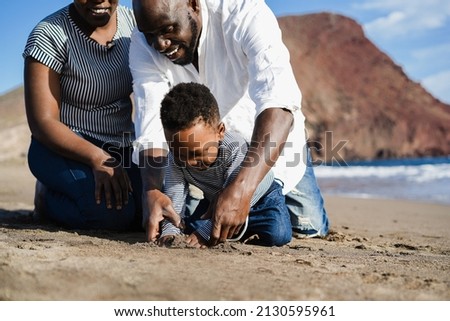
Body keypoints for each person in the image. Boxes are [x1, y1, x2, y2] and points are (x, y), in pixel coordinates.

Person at [130, 0, 329, 244]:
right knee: (185, 220)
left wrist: (240, 191)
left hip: (271, 151)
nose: (159, 43)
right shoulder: (142, 41)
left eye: (168, 29)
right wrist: (151, 189)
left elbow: (278, 102)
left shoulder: (244, 12)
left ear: (192, 4)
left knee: (308, 227)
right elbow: (150, 123)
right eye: (150, 34)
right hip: (201, 166)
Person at [23, 0, 142, 230]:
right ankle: (47, 198)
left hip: (122, 146)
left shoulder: (135, 24)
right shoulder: (49, 33)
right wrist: (97, 158)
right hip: (62, 146)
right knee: (111, 215)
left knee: (145, 210)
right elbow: (42, 122)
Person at [158, 82, 292, 248]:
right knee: (189, 227)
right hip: (213, 203)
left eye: (198, 153)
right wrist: (170, 230)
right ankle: (232, 231)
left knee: (277, 234)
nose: (188, 162)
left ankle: (237, 229)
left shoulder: (234, 148)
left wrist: (206, 231)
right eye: (180, 154)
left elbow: (237, 196)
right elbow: (174, 200)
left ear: (220, 132)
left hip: (261, 199)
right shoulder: (175, 158)